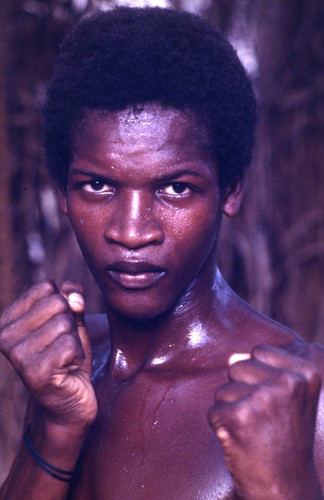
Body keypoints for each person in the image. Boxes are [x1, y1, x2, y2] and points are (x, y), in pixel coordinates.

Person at [0, 6, 323, 499]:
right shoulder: (69, 368)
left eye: (175, 188)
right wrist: (54, 430)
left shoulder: (305, 401)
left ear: (231, 190)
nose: (132, 233)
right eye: (98, 185)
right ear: (63, 193)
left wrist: (284, 488)